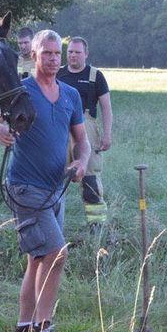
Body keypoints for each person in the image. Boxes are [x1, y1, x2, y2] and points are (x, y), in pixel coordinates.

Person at [0, 29, 88, 332]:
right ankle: (45, 330)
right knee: (57, 253)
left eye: (58, 54)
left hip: (57, 191)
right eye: (47, 54)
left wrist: (81, 162)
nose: (54, 59)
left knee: (38, 260)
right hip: (25, 187)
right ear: (34, 56)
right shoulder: (20, 90)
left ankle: (24, 330)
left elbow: (81, 140)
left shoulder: (70, 95)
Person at [56, 36, 112, 228]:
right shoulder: (58, 73)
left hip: (87, 128)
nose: (73, 55)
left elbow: (106, 107)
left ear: (86, 54)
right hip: (60, 127)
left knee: (90, 180)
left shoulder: (95, 75)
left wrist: (107, 134)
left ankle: (96, 229)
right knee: (54, 176)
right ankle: (54, 225)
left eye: (77, 52)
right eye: (70, 51)